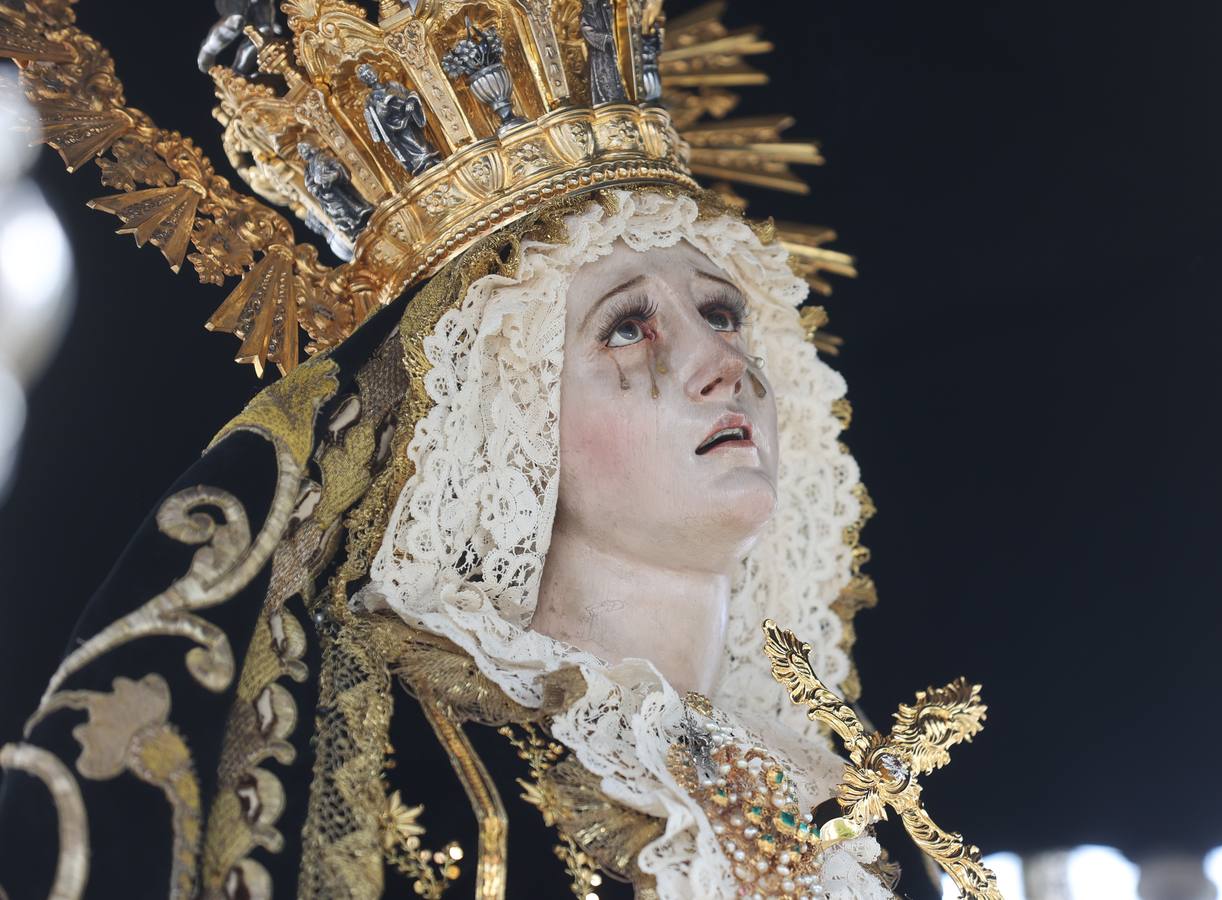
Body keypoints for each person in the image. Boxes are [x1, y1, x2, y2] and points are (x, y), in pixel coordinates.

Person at [0, 1, 990, 897]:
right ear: (502, 414)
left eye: (723, 314)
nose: (721, 364)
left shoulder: (837, 824)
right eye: (628, 328)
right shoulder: (417, 783)